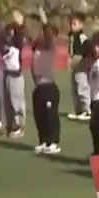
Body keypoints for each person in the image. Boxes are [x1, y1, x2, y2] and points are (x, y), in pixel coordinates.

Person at [29, 15, 62, 154]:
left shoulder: (49, 45)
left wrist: (45, 22)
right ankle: (43, 141)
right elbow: (33, 38)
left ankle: (53, 142)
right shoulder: (37, 46)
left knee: (50, 116)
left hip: (48, 86)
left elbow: (49, 36)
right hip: (38, 87)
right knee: (39, 116)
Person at [0, 13, 29, 137]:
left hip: (16, 72)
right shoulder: (8, 31)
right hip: (6, 70)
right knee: (7, 100)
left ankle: (18, 126)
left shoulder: (21, 34)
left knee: (16, 100)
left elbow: (20, 40)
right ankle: (9, 125)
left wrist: (19, 25)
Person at [65, 13, 91, 121]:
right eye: (71, 24)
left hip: (81, 64)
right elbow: (70, 50)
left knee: (82, 87)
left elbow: (87, 51)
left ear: (81, 25)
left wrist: (83, 61)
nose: (72, 26)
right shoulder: (71, 36)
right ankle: (78, 110)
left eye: (74, 24)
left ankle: (87, 110)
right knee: (74, 88)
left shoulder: (82, 37)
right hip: (74, 63)